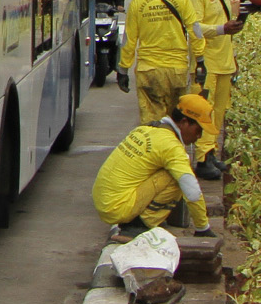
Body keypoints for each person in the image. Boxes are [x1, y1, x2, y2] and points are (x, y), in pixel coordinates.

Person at [92, 92, 216, 240]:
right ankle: (139, 226)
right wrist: (202, 228)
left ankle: (140, 219)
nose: (199, 136)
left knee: (172, 168)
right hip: (118, 207)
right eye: (198, 130)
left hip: (104, 201)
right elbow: (193, 192)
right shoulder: (170, 146)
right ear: (184, 122)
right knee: (177, 176)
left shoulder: (147, 129)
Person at [117, 0, 203, 125]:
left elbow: (128, 41)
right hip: (177, 72)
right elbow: (195, 30)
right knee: (176, 124)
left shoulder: (137, 3)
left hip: (149, 73)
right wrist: (200, 60)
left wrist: (123, 70)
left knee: (152, 125)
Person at [187, 0, 246, 179]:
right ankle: (202, 159)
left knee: (219, 112)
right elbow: (194, 28)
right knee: (204, 111)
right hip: (207, 63)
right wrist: (222, 29)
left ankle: (210, 152)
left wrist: (232, 52)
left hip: (224, 61)